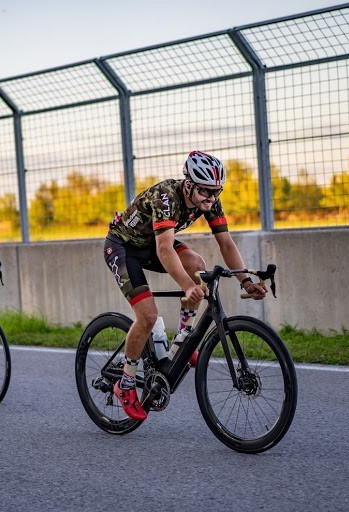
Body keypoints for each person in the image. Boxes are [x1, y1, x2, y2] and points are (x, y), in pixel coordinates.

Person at [103, 151, 267, 420]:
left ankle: (182, 340)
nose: (211, 198)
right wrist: (187, 286)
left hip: (151, 245)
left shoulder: (210, 200)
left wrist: (245, 281)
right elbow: (165, 249)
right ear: (189, 184)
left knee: (196, 264)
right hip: (123, 247)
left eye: (216, 192)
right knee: (148, 316)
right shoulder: (166, 196)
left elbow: (226, 243)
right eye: (205, 191)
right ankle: (127, 382)